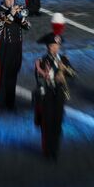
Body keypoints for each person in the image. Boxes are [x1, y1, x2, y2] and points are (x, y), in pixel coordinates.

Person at [33, 13, 75, 160]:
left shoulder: (63, 59)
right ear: (48, 47)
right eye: (52, 45)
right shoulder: (42, 61)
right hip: (47, 94)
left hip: (60, 94)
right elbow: (38, 78)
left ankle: (55, 150)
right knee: (47, 122)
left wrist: (65, 70)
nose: (55, 48)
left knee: (57, 122)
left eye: (57, 45)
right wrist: (50, 76)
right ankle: (47, 150)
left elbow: (73, 74)